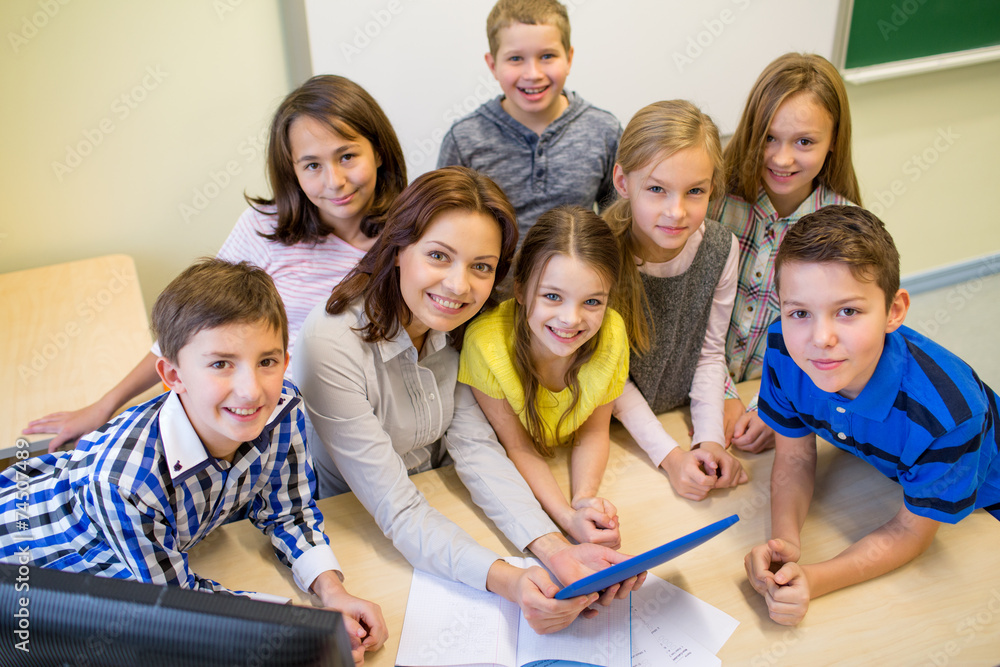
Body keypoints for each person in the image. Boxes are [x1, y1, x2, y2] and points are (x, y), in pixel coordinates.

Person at [293, 167, 643, 635]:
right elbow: (399, 511)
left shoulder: (457, 323)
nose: (459, 286)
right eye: (439, 256)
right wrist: (513, 581)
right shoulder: (330, 344)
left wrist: (556, 548)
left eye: (481, 266)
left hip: (443, 499)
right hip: (355, 523)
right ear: (398, 247)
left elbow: (477, 449)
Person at [1, 259, 387, 665]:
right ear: (173, 375)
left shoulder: (282, 407)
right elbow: (181, 612)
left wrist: (332, 592)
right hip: (33, 572)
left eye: (267, 362)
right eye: (221, 364)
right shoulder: (125, 484)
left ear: (285, 362)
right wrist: (305, 633)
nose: (250, 390)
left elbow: (288, 513)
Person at [25, 74, 407, 453]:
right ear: (291, 169)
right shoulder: (266, 227)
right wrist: (104, 406)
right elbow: (193, 324)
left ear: (378, 151)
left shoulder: (411, 237)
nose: (335, 181)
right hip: (249, 420)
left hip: (355, 432)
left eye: (347, 156)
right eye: (311, 165)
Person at [744, 206, 1000, 626]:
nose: (820, 339)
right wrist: (784, 542)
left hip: (988, 506)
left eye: (847, 311)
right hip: (899, 477)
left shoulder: (951, 415)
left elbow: (910, 532)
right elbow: (794, 458)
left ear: (894, 311)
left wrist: (815, 579)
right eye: (799, 313)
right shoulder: (783, 350)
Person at [710, 53, 861, 454]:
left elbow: (839, 342)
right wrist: (721, 393)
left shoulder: (847, 229)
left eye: (805, 142)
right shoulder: (711, 201)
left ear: (833, 143)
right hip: (698, 390)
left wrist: (768, 405)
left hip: (791, 402)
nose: (781, 158)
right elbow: (686, 312)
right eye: (769, 138)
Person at [460, 206, 629, 548]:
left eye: (592, 301)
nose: (570, 319)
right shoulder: (486, 343)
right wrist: (566, 518)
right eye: (552, 296)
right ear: (521, 291)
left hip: (562, 464)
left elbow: (594, 432)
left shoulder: (612, 333)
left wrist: (583, 499)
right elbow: (519, 446)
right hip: (502, 486)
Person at [605, 100, 748, 501]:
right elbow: (608, 380)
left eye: (695, 191)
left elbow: (709, 353)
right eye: (656, 189)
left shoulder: (720, 248)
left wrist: (709, 440)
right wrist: (671, 458)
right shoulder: (599, 253)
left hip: (674, 418)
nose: (676, 211)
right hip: (608, 436)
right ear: (622, 181)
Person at [436, 0, 620, 237]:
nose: (533, 74)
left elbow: (619, 221)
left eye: (547, 56)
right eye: (515, 59)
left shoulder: (605, 131)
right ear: (492, 65)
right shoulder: (463, 139)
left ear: (569, 58)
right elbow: (445, 228)